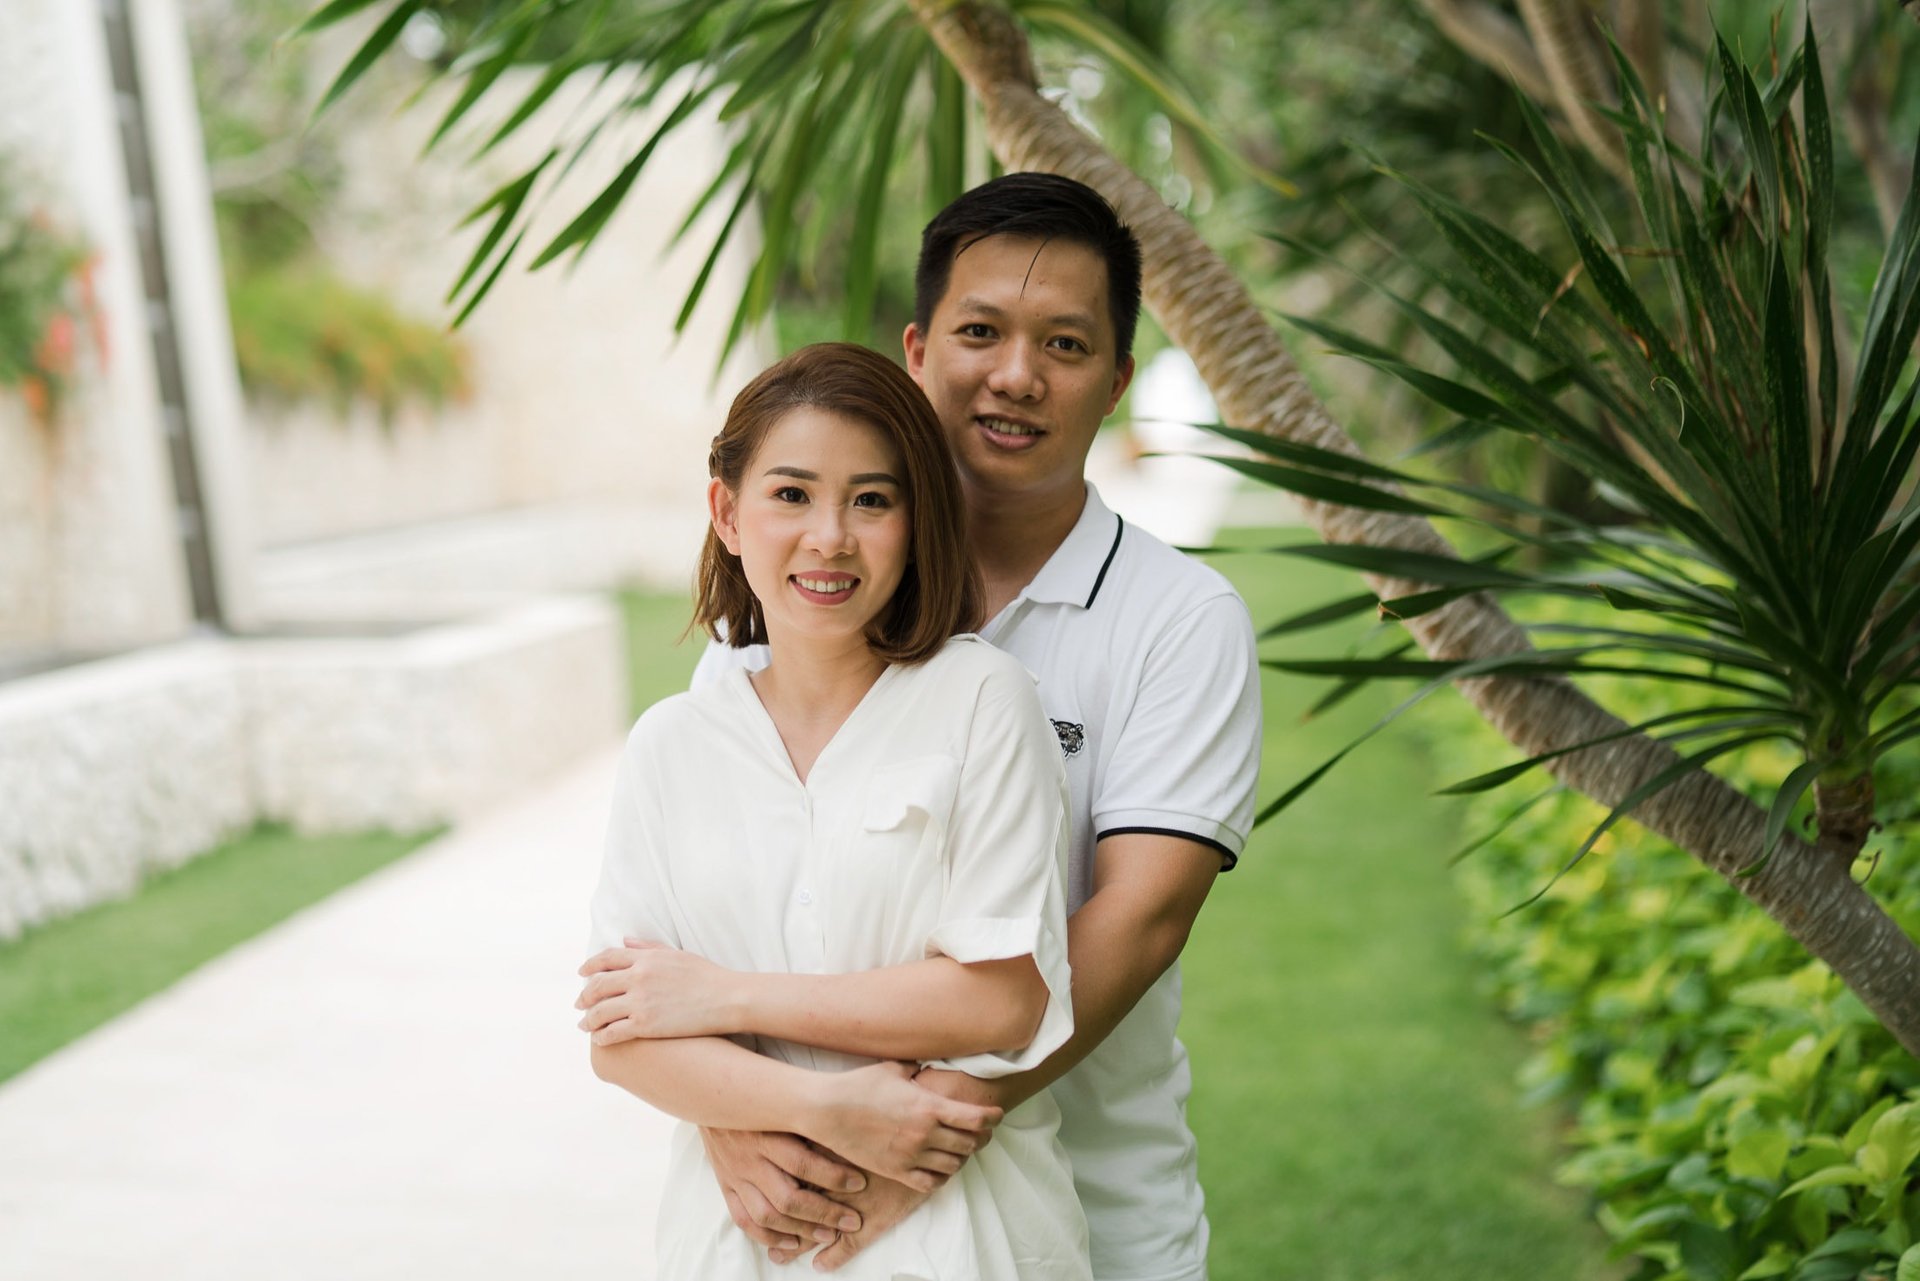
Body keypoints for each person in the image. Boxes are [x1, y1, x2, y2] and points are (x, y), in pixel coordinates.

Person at [587, 173, 1264, 1280]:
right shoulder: (784, 625)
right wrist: (752, 1116)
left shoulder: (1180, 622)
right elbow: (676, 969)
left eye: (1066, 345)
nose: (1015, 375)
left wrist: (896, 1145)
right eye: (982, 331)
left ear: (1117, 382)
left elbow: (1137, 920)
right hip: (795, 1208)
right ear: (918, 348)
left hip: (1076, 1196)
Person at [580, 341, 1093, 1280]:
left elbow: (1000, 995)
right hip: (742, 1239)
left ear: (914, 520)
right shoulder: (672, 746)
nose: (830, 537)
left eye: (871, 499)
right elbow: (627, 1035)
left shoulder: (983, 700)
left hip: (960, 1241)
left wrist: (726, 1000)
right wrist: (820, 1108)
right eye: (791, 495)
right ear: (726, 513)